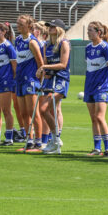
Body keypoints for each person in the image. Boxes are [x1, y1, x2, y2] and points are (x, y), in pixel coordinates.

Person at [37, 19, 71, 154]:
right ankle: (55, 139)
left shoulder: (64, 43)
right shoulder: (46, 44)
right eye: (49, 26)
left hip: (61, 79)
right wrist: (44, 72)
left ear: (59, 29)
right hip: (50, 79)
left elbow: (63, 64)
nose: (50, 28)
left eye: (52, 26)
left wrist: (44, 66)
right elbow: (46, 62)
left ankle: (55, 138)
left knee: (45, 108)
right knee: (49, 109)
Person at [84, 21, 108, 157]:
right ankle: (97, 148)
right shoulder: (87, 48)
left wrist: (106, 83)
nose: (88, 32)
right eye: (88, 30)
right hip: (89, 86)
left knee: (99, 117)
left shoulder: (105, 47)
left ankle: (107, 148)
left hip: (101, 87)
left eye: (91, 30)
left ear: (98, 32)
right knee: (93, 118)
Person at [15, 14, 44, 151]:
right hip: (20, 80)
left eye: (21, 24)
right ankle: (29, 140)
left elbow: (40, 63)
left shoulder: (32, 42)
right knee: (23, 113)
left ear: (29, 26)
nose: (18, 26)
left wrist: (40, 81)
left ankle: (38, 142)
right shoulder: (18, 40)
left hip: (30, 80)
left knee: (33, 112)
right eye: (18, 24)